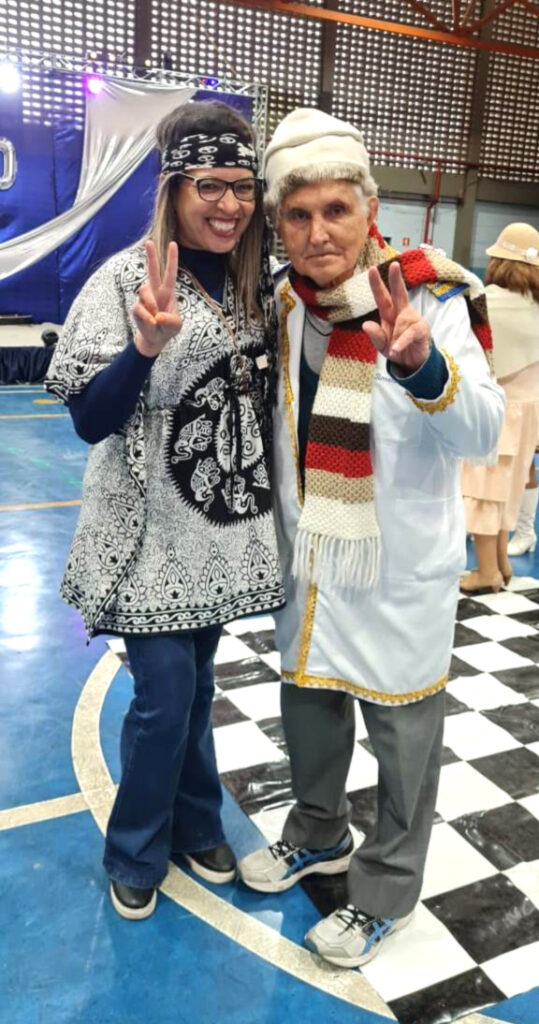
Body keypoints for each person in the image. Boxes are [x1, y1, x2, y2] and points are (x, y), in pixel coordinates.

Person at [238, 108, 504, 967]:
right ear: (277, 221)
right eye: (297, 214)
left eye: (335, 210)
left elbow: (483, 433)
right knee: (308, 712)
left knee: (402, 742)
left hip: (397, 569)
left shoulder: (430, 293)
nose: (317, 232)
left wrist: (422, 365)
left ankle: (385, 889)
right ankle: (318, 832)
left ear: (369, 209)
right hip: (313, 559)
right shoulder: (279, 302)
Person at [46, 100, 284, 920]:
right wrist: (143, 349)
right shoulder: (123, 280)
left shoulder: (256, 287)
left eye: (242, 187)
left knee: (196, 684)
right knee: (165, 696)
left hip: (216, 533)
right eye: (208, 186)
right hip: (143, 535)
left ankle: (196, 823)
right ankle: (136, 850)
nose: (228, 204)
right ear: (174, 189)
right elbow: (89, 419)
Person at [461, 223, 539, 591]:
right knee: (509, 488)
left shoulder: (485, 301)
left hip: (498, 408)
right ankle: (503, 564)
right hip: (530, 411)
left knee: (483, 488)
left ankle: (487, 571)